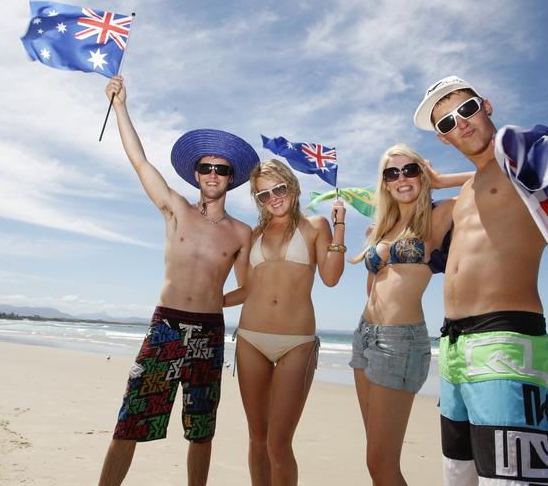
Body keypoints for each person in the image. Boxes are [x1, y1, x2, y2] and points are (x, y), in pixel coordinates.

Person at [98, 75, 259, 486]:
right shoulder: (176, 210)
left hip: (209, 333)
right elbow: (140, 162)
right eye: (206, 168)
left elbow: (248, 286)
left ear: (230, 177)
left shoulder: (242, 233)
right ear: (196, 173)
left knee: (201, 430)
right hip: (166, 326)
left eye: (220, 169)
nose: (212, 174)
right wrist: (120, 106)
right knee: (130, 421)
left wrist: (215, 301)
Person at [414, 75, 548, 484]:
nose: (461, 123)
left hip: (506, 339)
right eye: (447, 122)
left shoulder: (523, 156)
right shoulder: (469, 188)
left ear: (486, 106)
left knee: (511, 478)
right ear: (442, 138)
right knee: (459, 471)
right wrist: (440, 182)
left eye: (467, 109)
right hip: (453, 345)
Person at [349, 144, 472, 485]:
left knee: (381, 464)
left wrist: (442, 179)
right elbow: (374, 287)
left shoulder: (439, 213)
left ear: (422, 175)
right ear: (385, 183)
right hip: (365, 337)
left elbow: (498, 180)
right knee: (375, 461)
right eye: (392, 173)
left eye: (410, 170)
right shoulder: (383, 225)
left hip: (399, 342)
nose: (401, 178)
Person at [224, 159, 345, 486]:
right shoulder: (254, 234)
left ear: (291, 185)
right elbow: (247, 289)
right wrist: (214, 301)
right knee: (257, 438)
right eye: (263, 195)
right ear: (257, 199)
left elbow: (331, 278)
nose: (273, 197)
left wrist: (341, 226)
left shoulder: (316, 225)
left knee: (279, 443)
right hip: (250, 339)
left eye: (279, 188)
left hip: (297, 343)